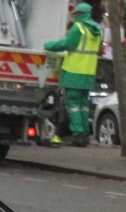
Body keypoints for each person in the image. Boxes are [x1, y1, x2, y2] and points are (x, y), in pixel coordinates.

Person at [44, 2, 102, 147]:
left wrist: (48, 45)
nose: (74, 17)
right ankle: (84, 135)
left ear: (79, 14)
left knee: (73, 104)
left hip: (74, 71)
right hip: (88, 72)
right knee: (83, 105)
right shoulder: (97, 30)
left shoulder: (79, 28)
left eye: (75, 14)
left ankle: (77, 134)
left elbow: (67, 44)